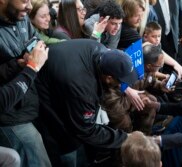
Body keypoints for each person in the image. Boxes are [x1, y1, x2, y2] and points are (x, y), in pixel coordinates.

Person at [35, 39, 139, 165]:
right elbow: (86, 130)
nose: (122, 85)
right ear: (109, 78)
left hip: (58, 74)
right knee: (67, 144)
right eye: (121, 82)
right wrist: (125, 138)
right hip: (44, 97)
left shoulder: (99, 49)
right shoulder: (83, 88)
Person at [0, 0, 52, 166]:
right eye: (24, 0)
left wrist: (20, 63)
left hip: (30, 104)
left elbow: (35, 43)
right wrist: (31, 67)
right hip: (9, 116)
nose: (29, 6)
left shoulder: (20, 18)